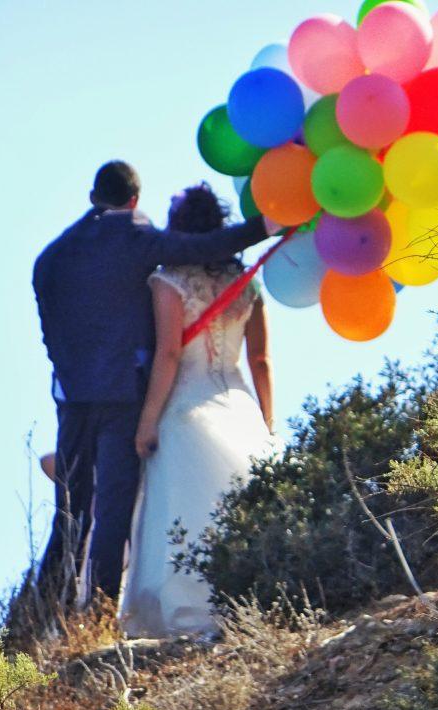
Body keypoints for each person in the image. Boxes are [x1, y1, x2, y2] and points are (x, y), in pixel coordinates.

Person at [33, 161, 279, 605]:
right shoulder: (140, 239)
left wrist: (69, 372)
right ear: (134, 201)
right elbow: (257, 354)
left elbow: (50, 325)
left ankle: (48, 607)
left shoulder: (52, 256)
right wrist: (268, 225)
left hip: (77, 395)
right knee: (113, 507)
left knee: (71, 508)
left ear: (93, 197)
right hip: (140, 395)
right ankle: (101, 607)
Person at [120, 184, 278, 638]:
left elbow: (169, 354)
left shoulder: (167, 283)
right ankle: (249, 603)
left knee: (183, 511)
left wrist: (148, 420)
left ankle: (184, 617)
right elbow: (260, 361)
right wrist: (267, 422)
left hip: (186, 407)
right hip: (239, 405)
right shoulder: (248, 285)